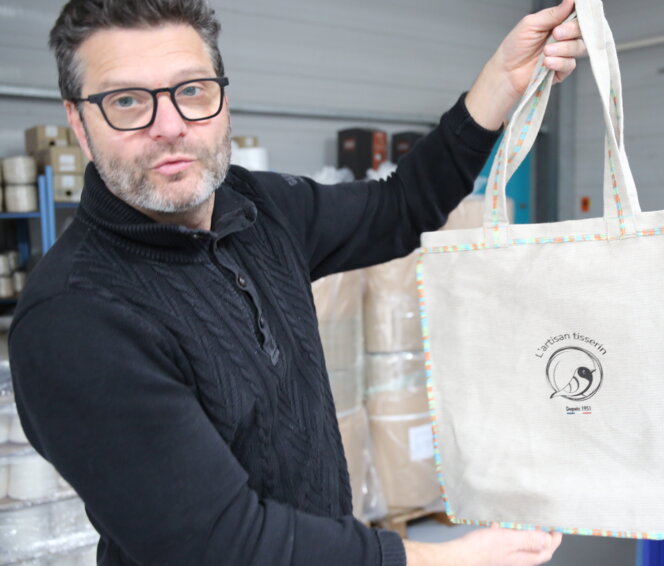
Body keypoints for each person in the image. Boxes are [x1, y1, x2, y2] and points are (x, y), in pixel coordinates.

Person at [9, 0, 585, 564]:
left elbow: (401, 205)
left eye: (192, 90)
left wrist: (500, 82)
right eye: (127, 101)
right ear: (79, 124)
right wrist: (439, 561)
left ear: (223, 99)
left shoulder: (259, 208)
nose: (171, 126)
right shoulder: (75, 319)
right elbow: (220, 545)